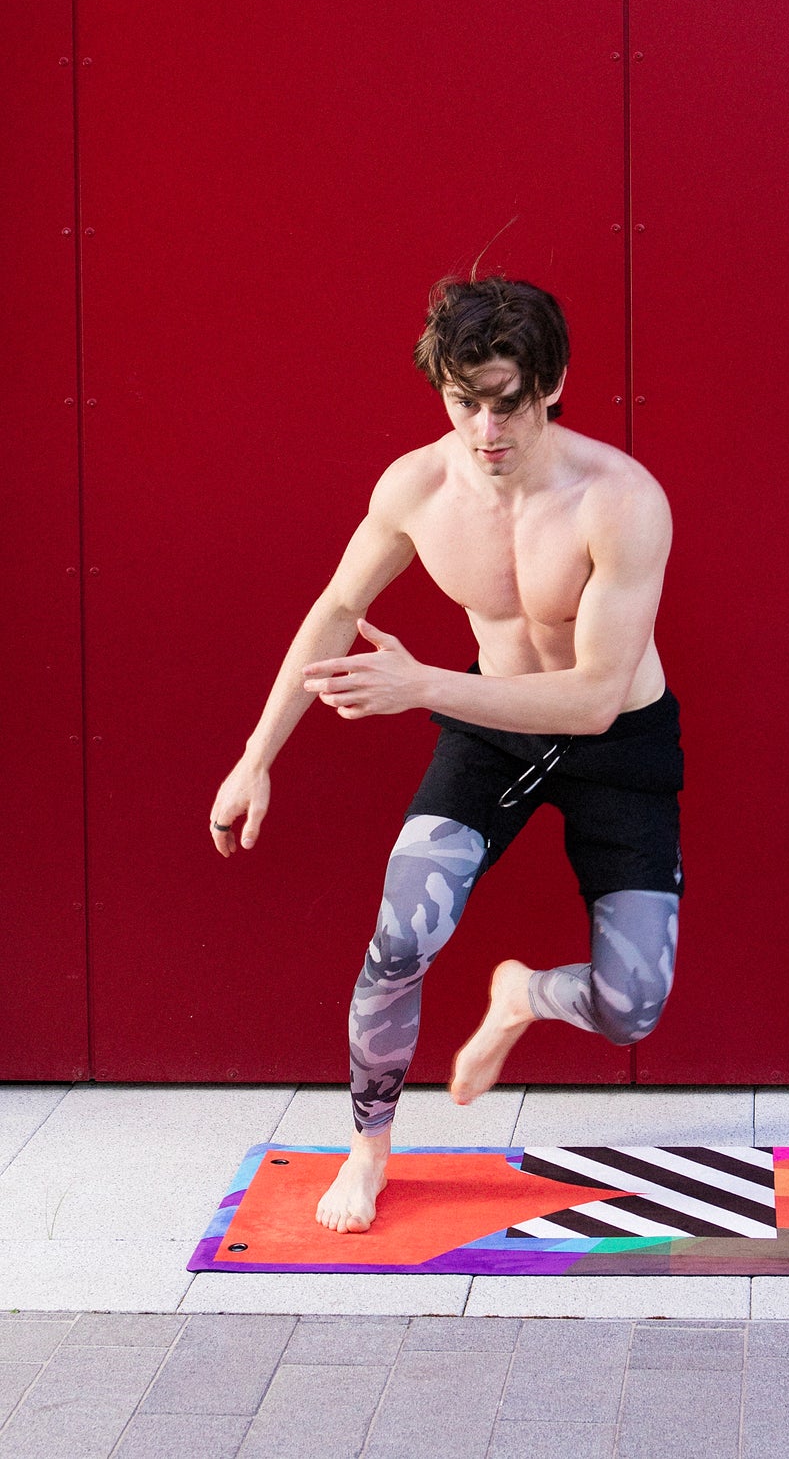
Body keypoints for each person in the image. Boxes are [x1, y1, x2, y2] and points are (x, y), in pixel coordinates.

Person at [207, 275, 679, 1234]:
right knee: (399, 938)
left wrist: (421, 687)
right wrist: (255, 756)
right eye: (466, 403)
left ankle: (526, 996)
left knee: (633, 1010)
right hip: (491, 729)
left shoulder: (620, 500)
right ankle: (370, 1151)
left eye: (508, 402)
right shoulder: (417, 487)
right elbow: (336, 610)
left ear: (552, 384)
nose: (486, 430)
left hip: (615, 741)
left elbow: (592, 698)